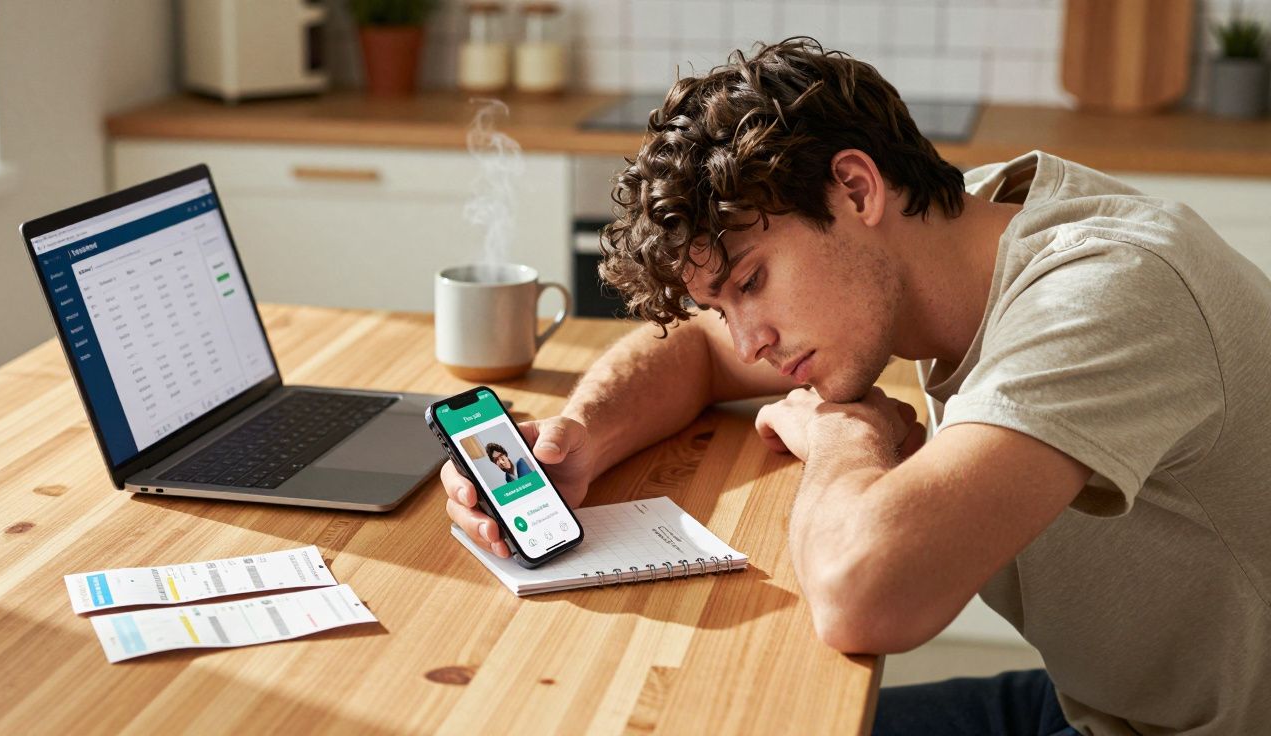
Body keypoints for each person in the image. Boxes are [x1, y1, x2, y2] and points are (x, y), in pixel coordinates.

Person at [440, 38, 1271, 735]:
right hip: (1092, 709)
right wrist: (581, 438)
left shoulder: (1105, 294)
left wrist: (842, 437)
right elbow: (696, 357)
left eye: (753, 280)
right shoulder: (954, 230)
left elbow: (862, 599)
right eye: (721, 303)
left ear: (857, 189)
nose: (750, 340)